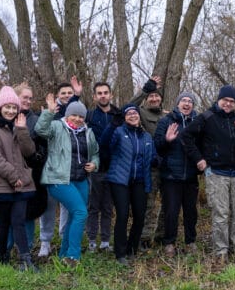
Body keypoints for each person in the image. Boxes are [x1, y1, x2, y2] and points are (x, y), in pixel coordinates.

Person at [182, 84, 235, 262]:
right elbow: (186, 137)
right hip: (216, 173)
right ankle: (221, 251)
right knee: (221, 213)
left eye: (232, 101)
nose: (228, 104)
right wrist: (199, 159)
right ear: (218, 100)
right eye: (225, 100)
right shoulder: (206, 117)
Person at [0, 86, 38, 271]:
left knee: (19, 221)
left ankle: (25, 260)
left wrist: (22, 131)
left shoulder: (20, 125)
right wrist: (13, 177)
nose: (11, 111)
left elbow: (30, 152)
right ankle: (3, 256)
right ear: (0, 107)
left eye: (14, 107)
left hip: (21, 184)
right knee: (4, 222)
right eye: (8, 107)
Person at [35, 97, 99, 267]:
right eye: (74, 115)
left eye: (81, 116)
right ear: (68, 115)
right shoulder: (57, 126)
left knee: (74, 215)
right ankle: (73, 255)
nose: (78, 119)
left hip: (81, 180)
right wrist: (49, 112)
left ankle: (64, 253)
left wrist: (95, 164)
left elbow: (95, 153)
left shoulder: (88, 132)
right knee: (81, 213)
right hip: (58, 179)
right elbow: (40, 130)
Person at [102, 104, 155, 266]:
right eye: (129, 113)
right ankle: (120, 253)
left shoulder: (146, 137)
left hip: (139, 180)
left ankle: (132, 249)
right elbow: (105, 143)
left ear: (139, 116)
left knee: (139, 216)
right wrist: (113, 124)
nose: (133, 115)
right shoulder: (119, 132)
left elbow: (153, 157)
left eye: (135, 113)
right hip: (120, 180)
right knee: (123, 215)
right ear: (125, 117)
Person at [154, 91, 200, 256]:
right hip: (171, 175)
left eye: (190, 102)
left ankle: (190, 241)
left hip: (191, 176)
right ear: (178, 103)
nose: (187, 104)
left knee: (191, 212)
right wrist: (166, 140)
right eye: (184, 101)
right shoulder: (166, 121)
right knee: (171, 211)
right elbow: (156, 146)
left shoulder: (198, 122)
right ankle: (169, 243)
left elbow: (203, 146)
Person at [131, 76, 167, 248]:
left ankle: (162, 236)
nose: (154, 98)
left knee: (168, 202)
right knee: (149, 204)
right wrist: (146, 88)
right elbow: (129, 106)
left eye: (156, 96)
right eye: (151, 96)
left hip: (167, 167)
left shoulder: (167, 115)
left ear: (161, 98)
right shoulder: (140, 113)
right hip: (149, 167)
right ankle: (144, 238)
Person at [85, 82, 121, 253]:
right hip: (95, 167)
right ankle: (92, 241)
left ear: (111, 94)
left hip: (114, 168)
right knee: (93, 206)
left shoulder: (118, 115)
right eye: (99, 93)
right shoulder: (90, 116)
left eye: (106, 92)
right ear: (94, 96)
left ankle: (105, 241)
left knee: (108, 207)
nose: (103, 95)